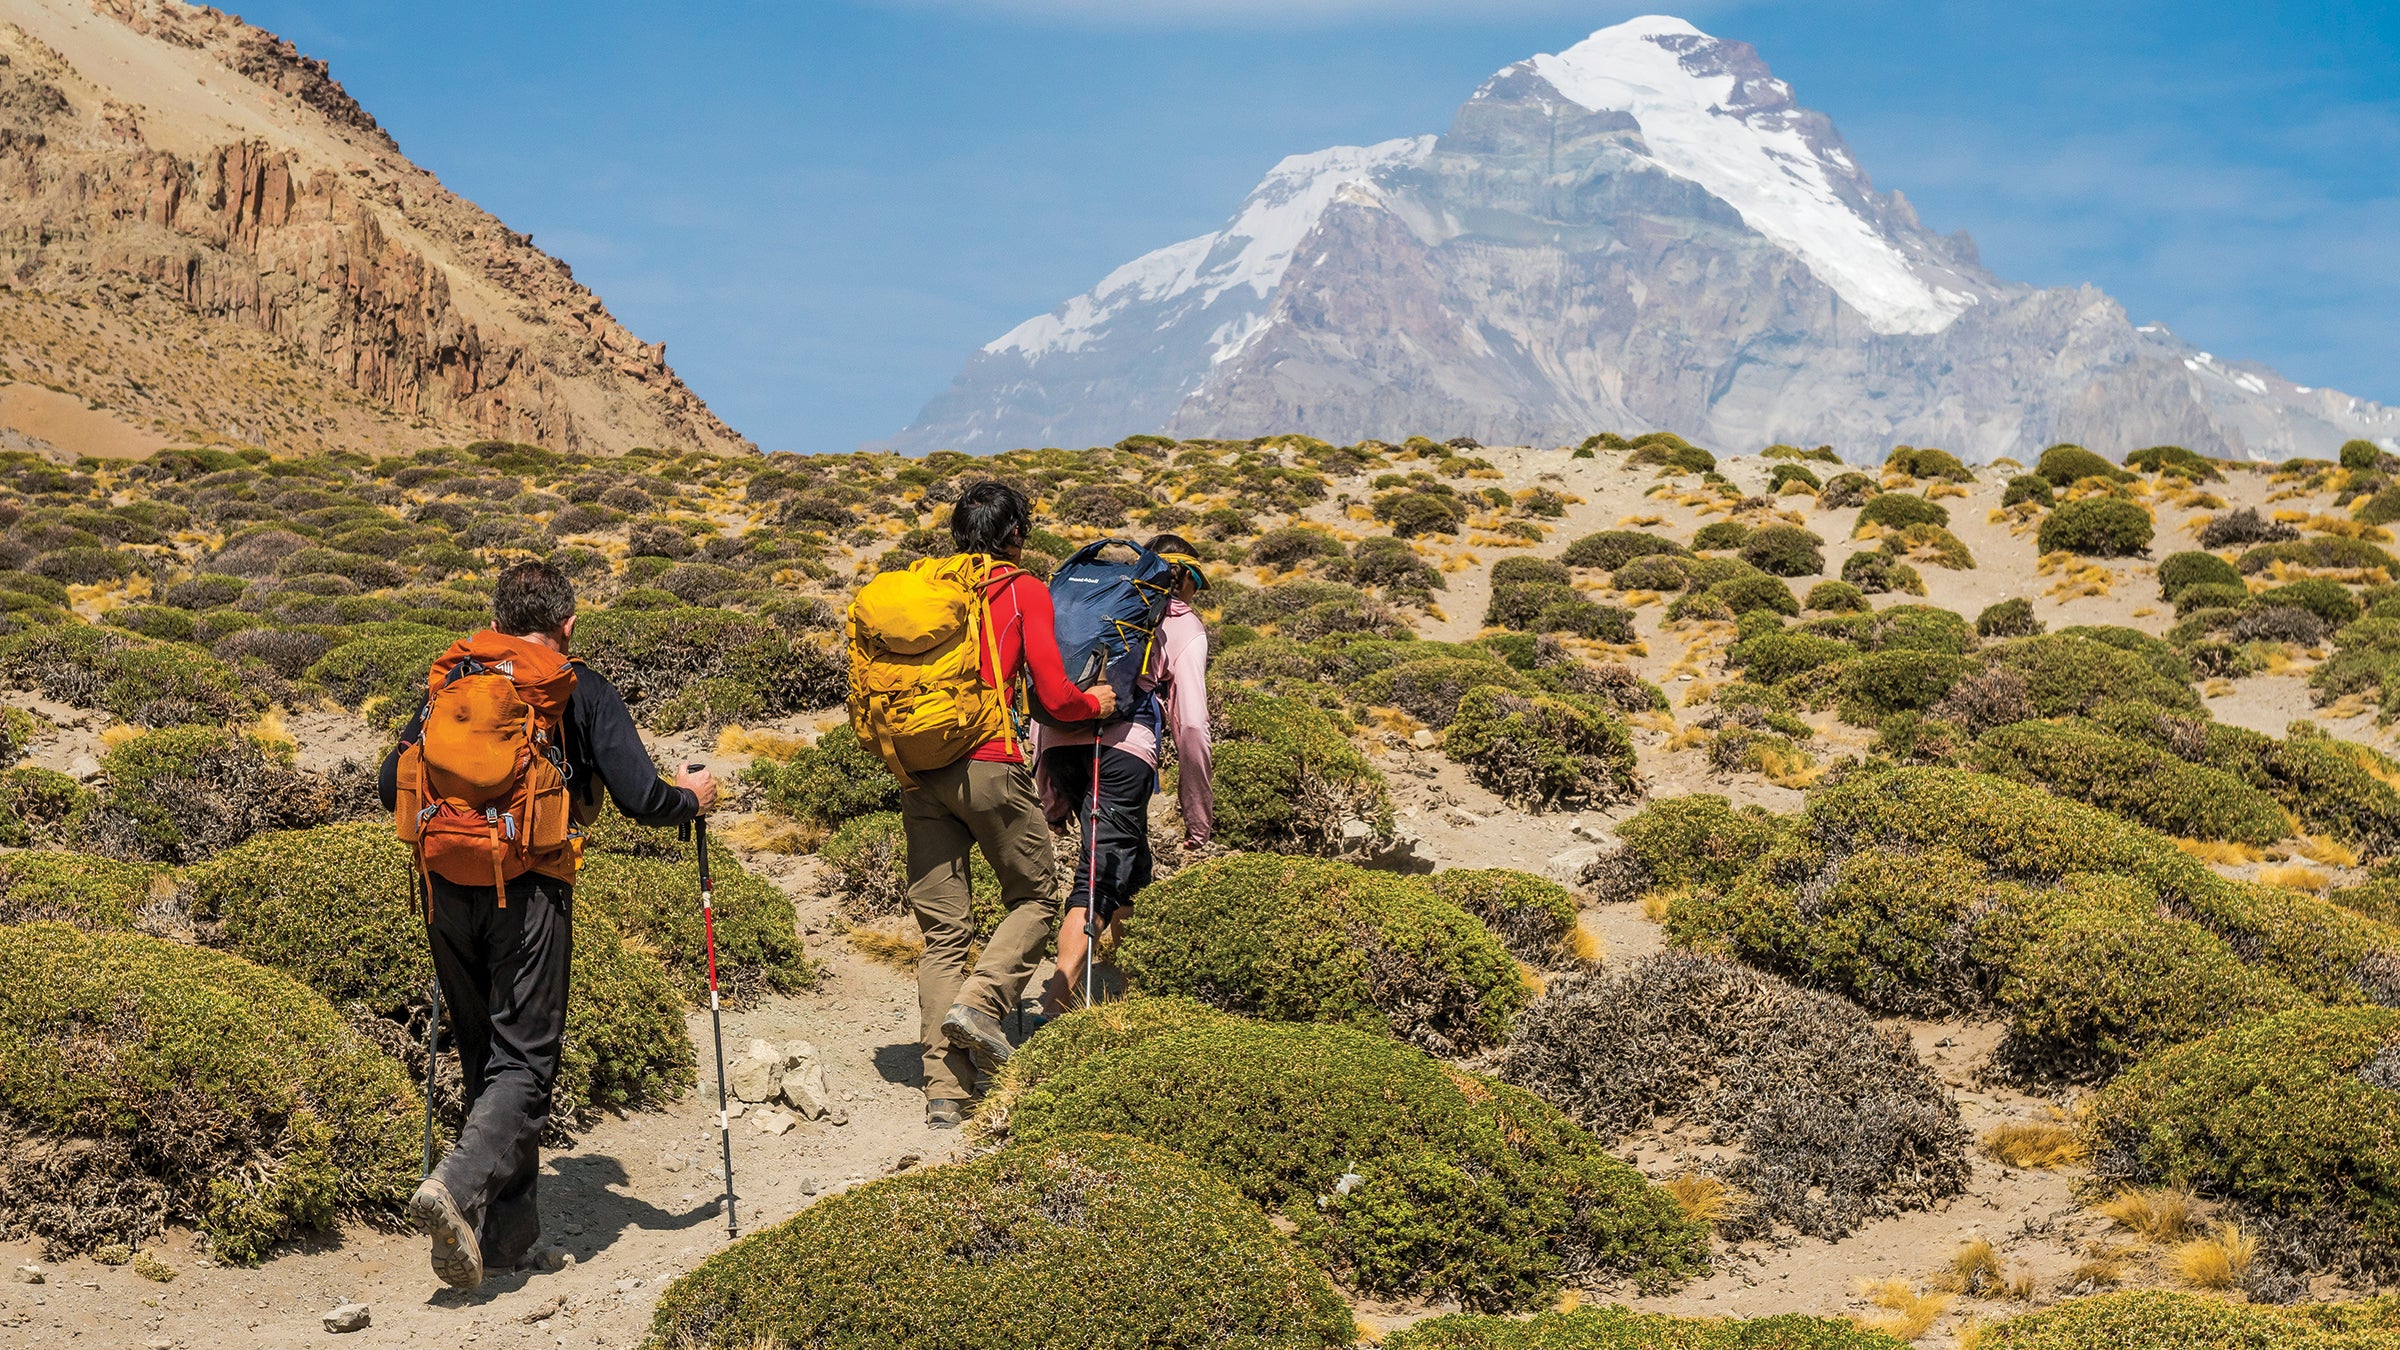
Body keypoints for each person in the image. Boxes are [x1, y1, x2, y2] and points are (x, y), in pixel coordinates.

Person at [377, 560, 716, 1290]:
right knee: (525, 1064)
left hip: (442, 886)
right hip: (529, 892)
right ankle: (457, 1187)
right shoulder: (575, 685)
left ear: (497, 617)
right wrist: (691, 799)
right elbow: (639, 795)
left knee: (484, 1057)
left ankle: (504, 1241)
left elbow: (386, 782)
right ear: (567, 624)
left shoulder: (452, 681)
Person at [907, 480, 1112, 1129]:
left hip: (917, 769)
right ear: (1015, 535)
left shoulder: (927, 589)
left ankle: (945, 1092)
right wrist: (1096, 705)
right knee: (1037, 898)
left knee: (944, 932)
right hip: (988, 765)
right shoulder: (1020, 591)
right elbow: (1052, 694)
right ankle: (982, 1003)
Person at [1033, 533, 1214, 1016]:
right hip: (1120, 752)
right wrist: (1197, 817)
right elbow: (1192, 724)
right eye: (1196, 580)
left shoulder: (1094, 605)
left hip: (1060, 744)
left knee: (1131, 863)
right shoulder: (1180, 624)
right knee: (1096, 877)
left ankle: (1130, 979)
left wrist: (1050, 795)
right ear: (1186, 578)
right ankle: (1054, 1003)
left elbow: (1046, 697)